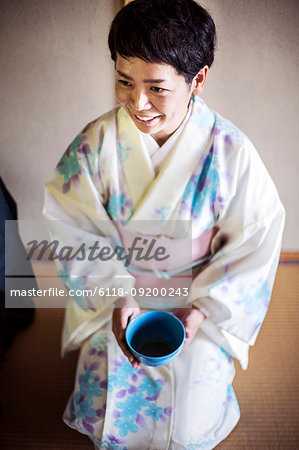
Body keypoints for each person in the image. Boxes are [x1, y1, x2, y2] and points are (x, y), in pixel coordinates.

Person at [43, 0, 285, 448]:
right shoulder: (97, 143)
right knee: (106, 390)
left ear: (198, 79)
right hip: (119, 289)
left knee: (190, 413)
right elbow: (70, 220)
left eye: (157, 87)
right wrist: (116, 292)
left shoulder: (230, 151)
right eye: (124, 81)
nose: (138, 103)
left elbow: (257, 237)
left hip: (198, 295)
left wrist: (202, 309)